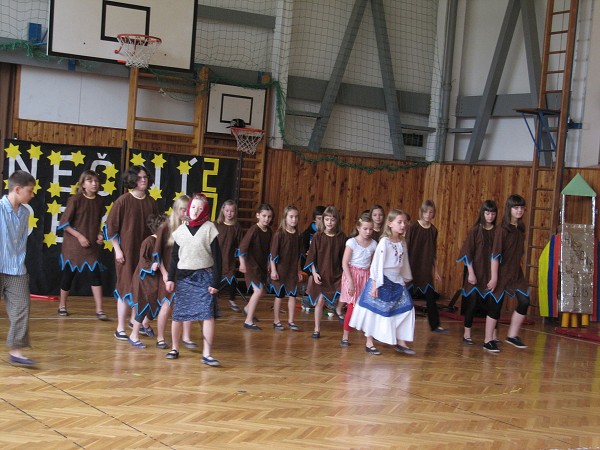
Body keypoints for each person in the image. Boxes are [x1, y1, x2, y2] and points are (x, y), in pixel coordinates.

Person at [165, 193, 222, 366]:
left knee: (207, 314)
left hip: (204, 277)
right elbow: (174, 257)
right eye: (193, 207)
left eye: (199, 208)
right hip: (184, 278)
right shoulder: (180, 232)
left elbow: (218, 258)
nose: (196, 210)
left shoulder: (210, 228)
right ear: (189, 208)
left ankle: (207, 354)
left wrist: (215, 282)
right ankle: (174, 348)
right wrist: (170, 278)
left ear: (205, 210)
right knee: (179, 315)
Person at [350, 209, 416, 355]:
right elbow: (377, 264)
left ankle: (401, 341)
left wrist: (405, 278)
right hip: (382, 280)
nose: (403, 225)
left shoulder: (402, 242)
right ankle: (369, 342)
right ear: (390, 223)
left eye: (405, 222)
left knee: (407, 307)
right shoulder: (384, 242)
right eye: (399, 222)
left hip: (397, 280)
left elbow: (403, 262)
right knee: (375, 311)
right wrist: (375, 284)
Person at [104, 165, 158, 341]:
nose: (144, 180)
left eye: (145, 177)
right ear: (132, 180)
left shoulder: (152, 202)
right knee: (125, 288)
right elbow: (111, 227)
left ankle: (136, 322)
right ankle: (120, 327)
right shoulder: (123, 201)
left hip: (144, 254)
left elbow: (157, 229)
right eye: (140, 177)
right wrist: (117, 249)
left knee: (140, 288)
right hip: (126, 251)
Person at [57, 169, 107, 320]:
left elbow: (96, 222)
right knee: (68, 275)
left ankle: (99, 310)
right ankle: (62, 305)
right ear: (83, 184)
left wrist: (99, 234)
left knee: (95, 275)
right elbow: (64, 224)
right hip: (74, 246)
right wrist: (79, 236)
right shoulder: (75, 200)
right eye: (90, 181)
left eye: (96, 181)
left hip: (91, 246)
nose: (94, 184)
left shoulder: (99, 201)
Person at [0, 170, 36, 365]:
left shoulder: (24, 213)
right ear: (17, 189)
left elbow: (21, 241)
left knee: (22, 307)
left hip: (16, 269)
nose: (32, 195)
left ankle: (16, 351)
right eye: (30, 191)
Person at [486, 194, 530, 352]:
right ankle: (488, 340)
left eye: (521, 208)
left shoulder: (521, 228)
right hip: (501, 273)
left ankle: (512, 335)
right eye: (516, 208)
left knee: (524, 301)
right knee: (495, 307)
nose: (519, 211)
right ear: (509, 209)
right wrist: (494, 277)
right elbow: (495, 256)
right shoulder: (501, 230)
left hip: (516, 273)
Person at [153, 195, 196, 349]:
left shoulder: (190, 227)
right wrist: (165, 274)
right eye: (182, 209)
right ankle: (160, 338)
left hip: (185, 273)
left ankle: (186, 337)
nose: (185, 212)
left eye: (187, 209)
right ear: (176, 209)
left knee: (187, 305)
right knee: (166, 305)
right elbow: (157, 254)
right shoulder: (166, 227)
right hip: (169, 274)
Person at [456, 200, 498, 345]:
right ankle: (467, 333)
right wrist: (471, 273)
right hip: (475, 272)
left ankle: (493, 335)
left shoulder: (498, 232)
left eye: (493, 213)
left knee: (493, 304)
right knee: (472, 302)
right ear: (483, 213)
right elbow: (468, 253)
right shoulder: (475, 231)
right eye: (487, 213)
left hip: (491, 274)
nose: (490, 216)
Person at [304, 205, 346, 338]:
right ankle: (316, 329)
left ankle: (339, 310)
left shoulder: (341, 237)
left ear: (336, 221)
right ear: (323, 220)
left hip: (336, 275)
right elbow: (312, 257)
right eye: (327, 219)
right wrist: (314, 273)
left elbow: (344, 257)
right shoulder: (318, 236)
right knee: (320, 302)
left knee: (345, 294)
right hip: (321, 275)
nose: (329, 222)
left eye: (332, 220)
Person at [405, 199, 447, 333]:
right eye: (425, 212)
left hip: (425, 270)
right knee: (406, 297)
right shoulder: (413, 227)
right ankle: (399, 324)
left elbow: (433, 251)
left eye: (431, 212)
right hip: (411, 267)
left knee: (430, 297)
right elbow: (406, 247)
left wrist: (436, 271)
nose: (428, 215)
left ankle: (435, 325)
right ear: (421, 212)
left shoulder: (433, 230)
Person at [127, 214, 167, 348]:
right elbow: (143, 260)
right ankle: (134, 335)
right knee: (143, 306)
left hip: (155, 281)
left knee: (157, 305)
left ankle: (145, 323)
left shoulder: (165, 242)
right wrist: (152, 266)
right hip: (144, 279)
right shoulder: (149, 241)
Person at [339, 212, 377, 347]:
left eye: (370, 229)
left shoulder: (373, 244)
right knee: (351, 306)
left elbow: (373, 264)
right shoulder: (352, 242)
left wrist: (373, 281)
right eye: (365, 229)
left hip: (366, 276)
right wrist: (350, 281)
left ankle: (369, 337)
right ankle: (345, 336)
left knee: (367, 307)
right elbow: (344, 263)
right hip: (352, 275)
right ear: (358, 228)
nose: (368, 232)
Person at [239, 203, 274, 330]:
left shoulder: (269, 231)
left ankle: (248, 308)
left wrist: (270, 263)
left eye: (269, 217)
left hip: (261, 266)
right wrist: (242, 263)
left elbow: (270, 250)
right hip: (251, 266)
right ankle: (248, 321)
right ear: (257, 215)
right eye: (264, 216)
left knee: (262, 291)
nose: (266, 219)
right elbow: (242, 247)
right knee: (258, 291)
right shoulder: (254, 230)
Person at [269, 205, 303, 331]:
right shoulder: (279, 234)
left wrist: (298, 270)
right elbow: (273, 254)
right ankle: (276, 321)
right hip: (280, 270)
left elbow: (299, 254)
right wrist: (273, 270)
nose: (294, 220)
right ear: (285, 218)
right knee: (279, 296)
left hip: (292, 271)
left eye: (296, 217)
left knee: (293, 295)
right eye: (291, 217)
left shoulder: (298, 235)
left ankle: (291, 321)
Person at [215, 200, 244, 313]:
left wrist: (241, 260)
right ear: (223, 210)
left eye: (232, 211)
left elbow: (241, 244)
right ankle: (215, 302)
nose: (229, 213)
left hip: (229, 258)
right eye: (227, 210)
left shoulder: (237, 227)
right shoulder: (216, 225)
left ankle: (232, 300)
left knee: (232, 280)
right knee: (215, 280)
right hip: (217, 257)